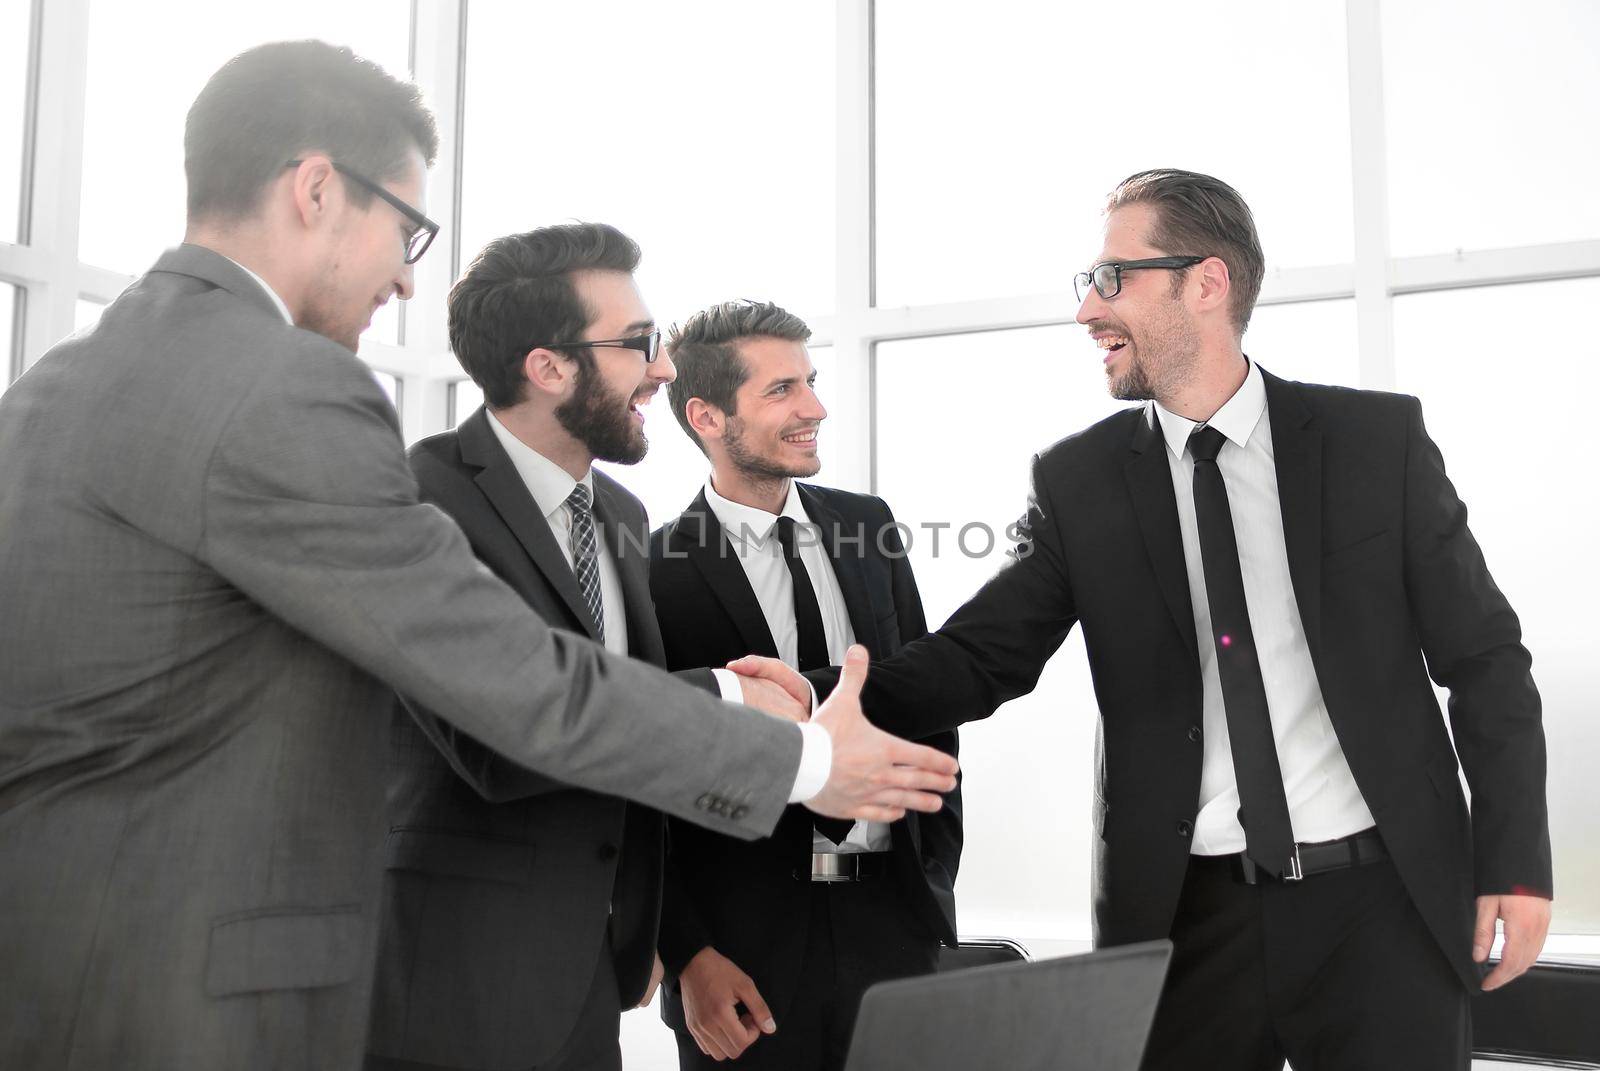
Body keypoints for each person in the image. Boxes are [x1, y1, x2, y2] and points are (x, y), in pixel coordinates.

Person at [0, 42, 957, 1071]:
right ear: (317, 190)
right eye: (406, 228)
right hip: (202, 1005)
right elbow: (510, 689)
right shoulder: (285, 389)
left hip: (75, 966)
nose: (408, 277)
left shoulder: (53, 388)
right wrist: (804, 756)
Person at [734, 169, 1551, 1069]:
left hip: (1382, 910)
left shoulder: (1374, 444)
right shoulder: (1079, 482)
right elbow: (980, 657)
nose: (1087, 309)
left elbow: (1486, 659)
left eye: (1112, 278)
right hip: (1186, 924)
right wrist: (800, 699)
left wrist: (1514, 860)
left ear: (1207, 282)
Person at [366, 224, 813, 1071]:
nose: (665, 368)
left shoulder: (622, 517)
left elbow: (629, 748)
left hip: (590, 980)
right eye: (639, 343)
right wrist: (721, 694)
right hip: (450, 984)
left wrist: (653, 928)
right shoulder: (420, 500)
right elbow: (499, 739)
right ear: (548, 367)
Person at [649, 301, 963, 1070]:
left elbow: (928, 695)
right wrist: (687, 956)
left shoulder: (870, 527)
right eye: (782, 389)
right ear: (707, 415)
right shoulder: (652, 570)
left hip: (894, 922)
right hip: (742, 952)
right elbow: (642, 779)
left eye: (812, 382)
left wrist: (934, 878)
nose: (815, 408)